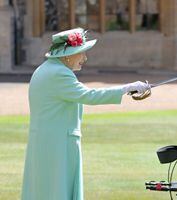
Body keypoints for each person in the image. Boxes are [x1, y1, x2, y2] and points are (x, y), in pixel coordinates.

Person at [21, 28, 150, 200]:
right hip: (57, 144)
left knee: (45, 189)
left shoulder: (46, 69)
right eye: (81, 53)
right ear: (68, 55)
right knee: (57, 191)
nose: (85, 58)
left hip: (47, 142)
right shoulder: (59, 73)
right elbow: (90, 95)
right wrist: (126, 88)